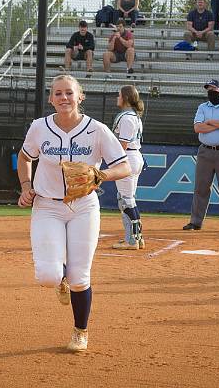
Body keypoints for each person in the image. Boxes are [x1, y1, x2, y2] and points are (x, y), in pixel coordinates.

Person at [16, 74, 131, 352]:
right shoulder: (39, 127)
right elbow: (24, 157)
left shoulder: (97, 129)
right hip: (47, 205)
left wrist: (99, 173)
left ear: (80, 96)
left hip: (83, 206)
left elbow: (125, 166)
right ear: (50, 99)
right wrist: (26, 186)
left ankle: (80, 331)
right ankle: (60, 278)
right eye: (58, 93)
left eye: (69, 93)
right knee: (48, 276)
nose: (63, 98)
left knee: (81, 278)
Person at [183, 80, 219, 233]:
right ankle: (195, 222)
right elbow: (197, 127)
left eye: (213, 88)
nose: (210, 91)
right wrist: (218, 123)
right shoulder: (202, 107)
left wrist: (209, 122)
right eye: (208, 89)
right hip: (205, 151)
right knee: (201, 188)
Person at [111, 85, 146, 250]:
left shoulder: (126, 117)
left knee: (125, 200)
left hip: (128, 158)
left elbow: (122, 145)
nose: (117, 98)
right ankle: (137, 236)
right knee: (129, 198)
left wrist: (110, 158)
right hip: (135, 156)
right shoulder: (134, 116)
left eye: (119, 95)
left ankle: (131, 239)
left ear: (125, 97)